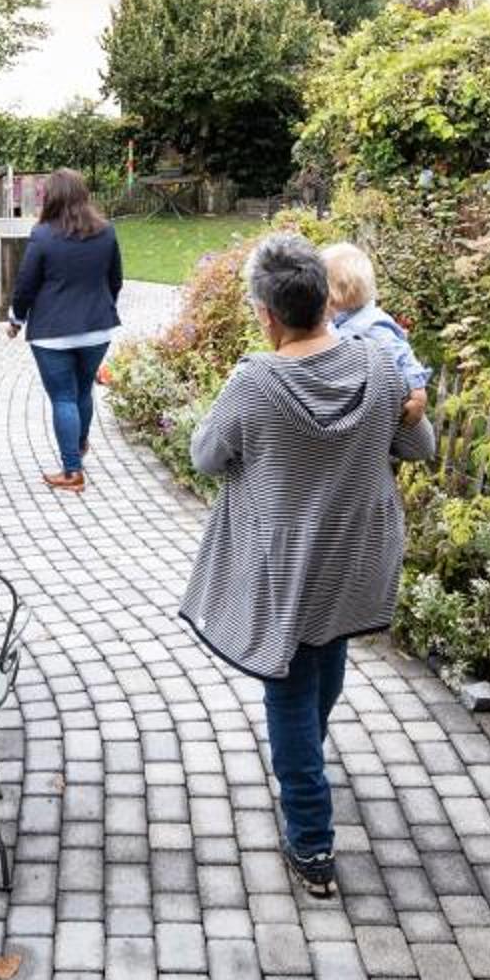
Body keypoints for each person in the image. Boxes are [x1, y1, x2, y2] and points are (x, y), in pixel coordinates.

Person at [178, 233, 434, 897]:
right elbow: (419, 446)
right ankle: (307, 762)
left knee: (288, 689)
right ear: (325, 301)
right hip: (354, 555)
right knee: (325, 654)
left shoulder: (256, 383)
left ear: (267, 315)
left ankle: (312, 844)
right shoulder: (379, 364)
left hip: (286, 563)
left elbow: (205, 456)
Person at [7, 169, 125, 492]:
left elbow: (25, 285)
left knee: (63, 398)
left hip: (52, 334)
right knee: (83, 391)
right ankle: (80, 443)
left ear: (52, 197)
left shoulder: (42, 235)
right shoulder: (106, 232)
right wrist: (103, 308)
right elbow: (115, 280)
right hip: (97, 330)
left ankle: (73, 471)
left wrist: (16, 319)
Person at [322, 241, 429, 424]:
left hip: (371, 412)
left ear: (335, 294)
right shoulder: (334, 322)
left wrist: (418, 397)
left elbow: (404, 359)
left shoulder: (373, 325)